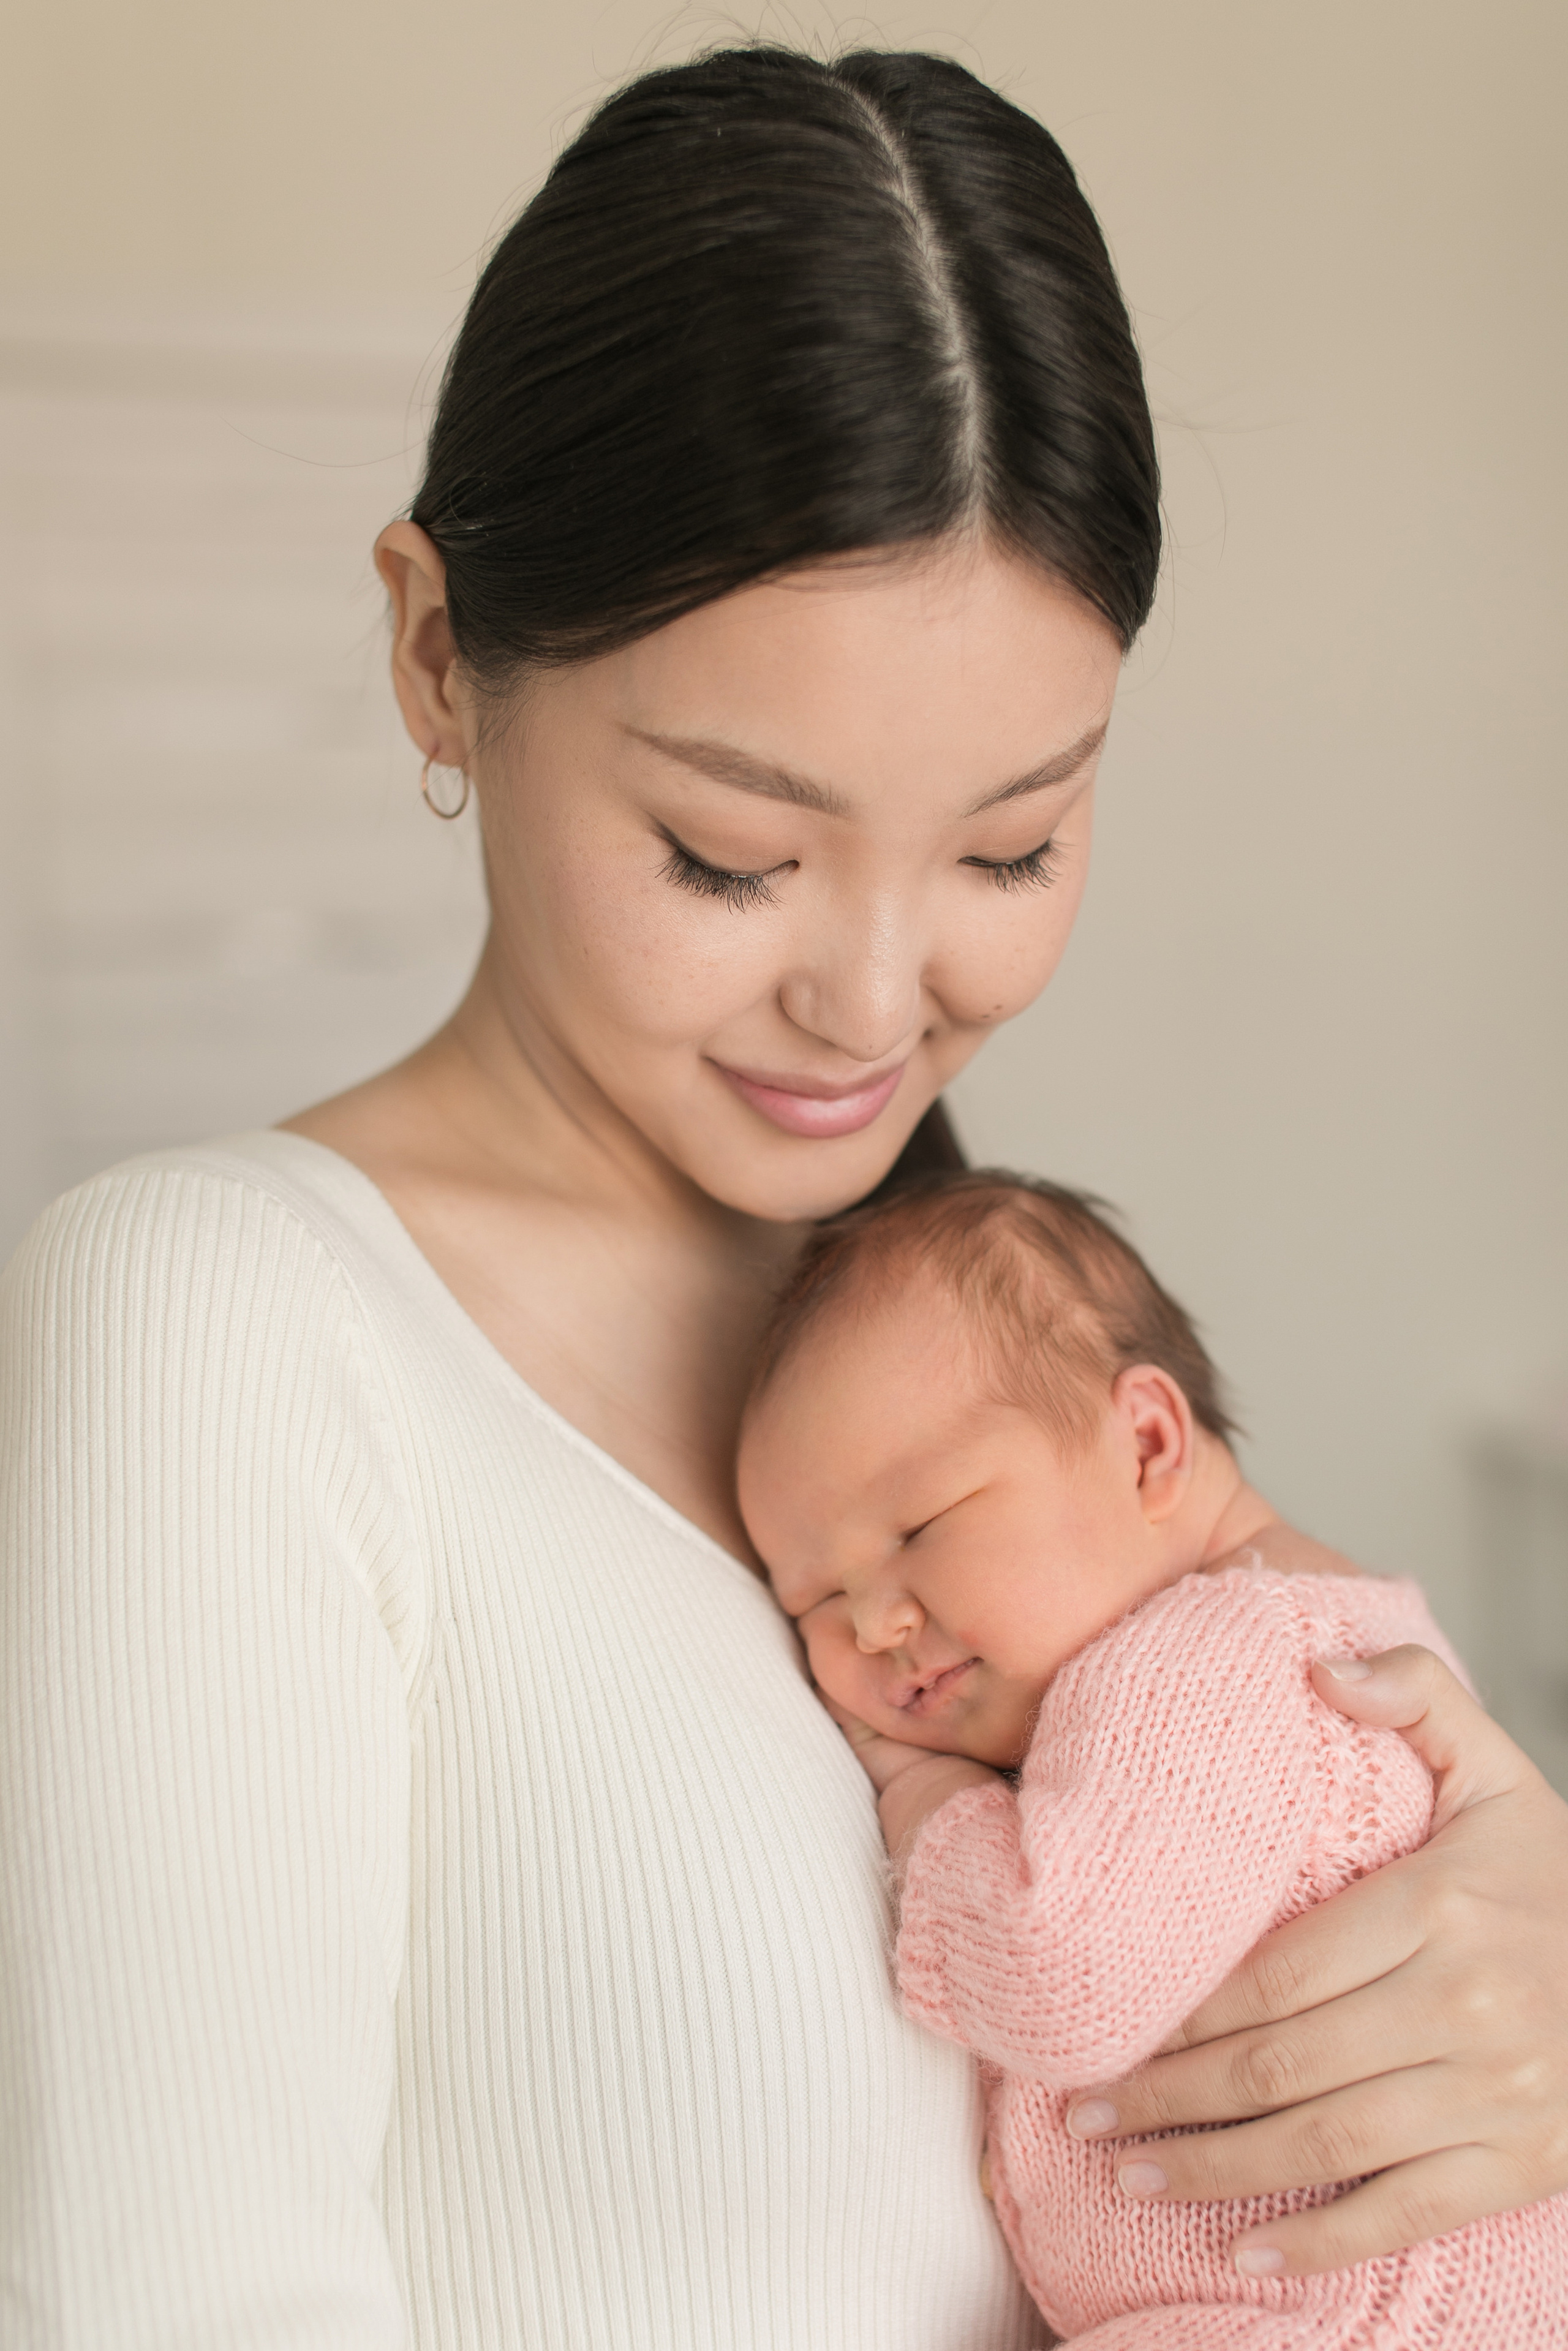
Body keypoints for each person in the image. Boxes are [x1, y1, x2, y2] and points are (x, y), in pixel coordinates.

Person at [1, 42, 1565, 2351]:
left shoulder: (991, 1352)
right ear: (441, 656)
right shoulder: (219, 1321)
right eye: (731, 853)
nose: (866, 1002)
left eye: (1014, 844)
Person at [737, 1170, 1568, 2345]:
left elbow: (1055, 1970)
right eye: (815, 1597)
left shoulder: (1198, 1659)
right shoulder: (1340, 1622)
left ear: (1144, 1444)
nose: (873, 1625)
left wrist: (927, 1797)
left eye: (920, 1526)